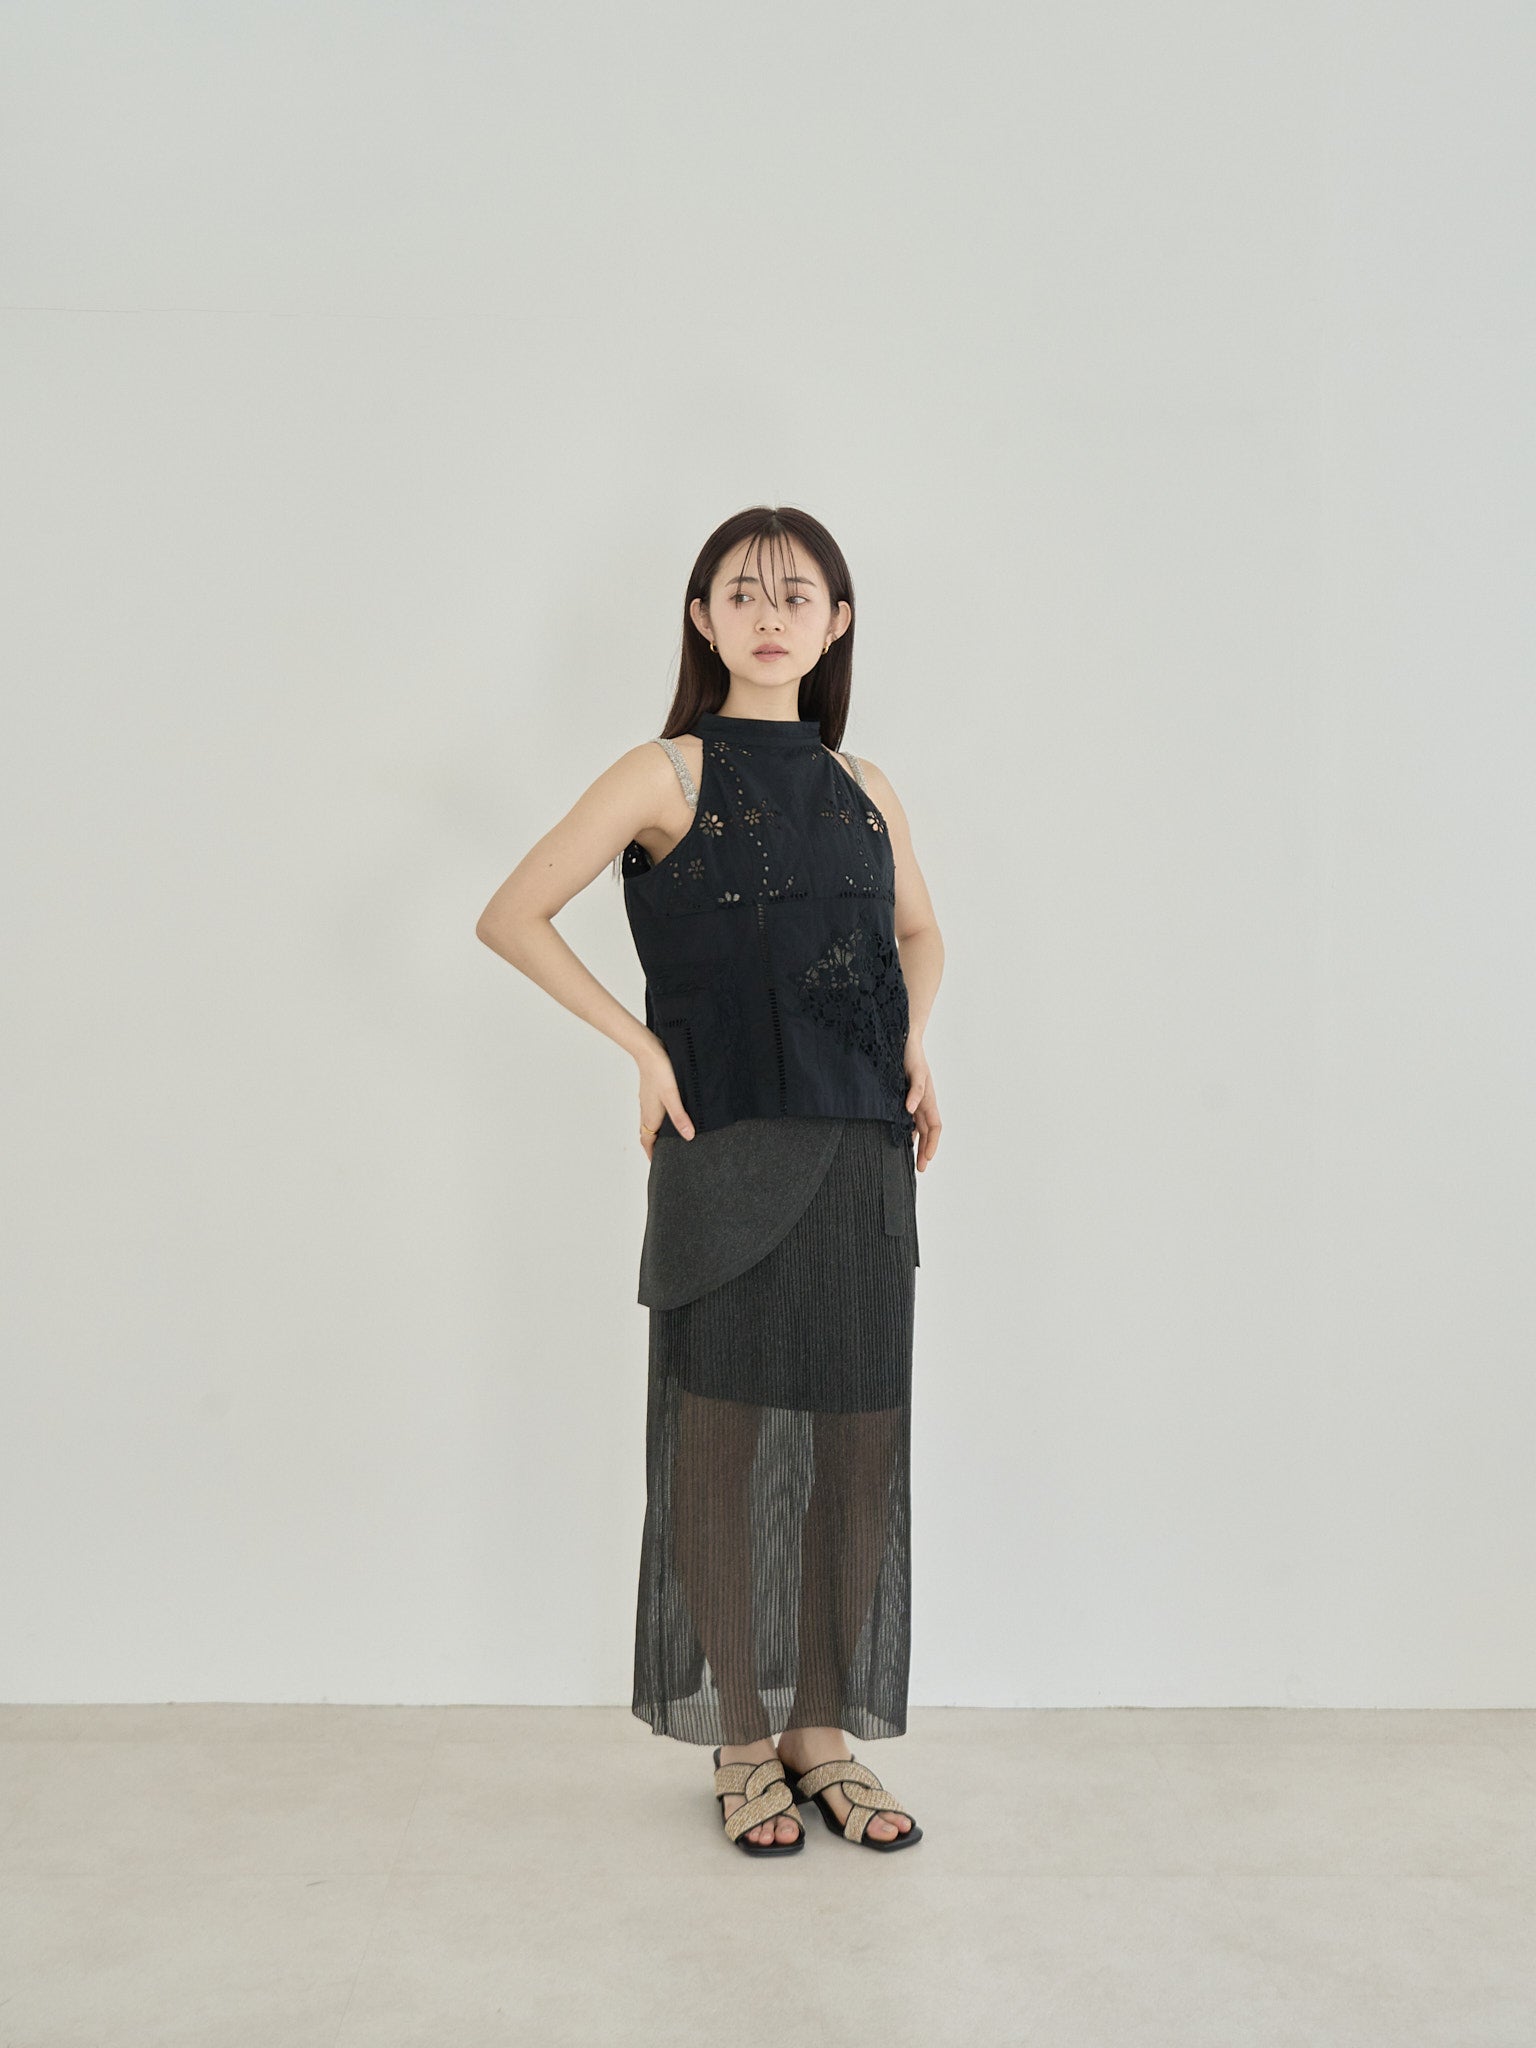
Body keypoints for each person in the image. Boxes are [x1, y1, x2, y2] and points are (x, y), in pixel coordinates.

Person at [475, 505, 944, 1856]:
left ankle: (821, 1734)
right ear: (703, 617)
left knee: (856, 1449)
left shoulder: (865, 787)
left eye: (798, 595)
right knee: (723, 1451)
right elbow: (511, 914)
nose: (770, 615)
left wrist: (912, 1044)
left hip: (862, 1153)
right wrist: (639, 1046)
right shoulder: (662, 773)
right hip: (724, 1149)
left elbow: (920, 932)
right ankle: (743, 1733)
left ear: (838, 623)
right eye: (743, 592)